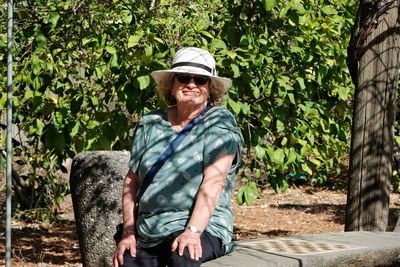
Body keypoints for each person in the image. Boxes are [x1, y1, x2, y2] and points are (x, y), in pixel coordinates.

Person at [113, 47, 242, 267]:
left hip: (202, 226)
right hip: (150, 229)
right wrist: (128, 231)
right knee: (127, 261)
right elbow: (132, 181)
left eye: (201, 80)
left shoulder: (219, 123)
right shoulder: (151, 123)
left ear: (210, 89)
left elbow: (215, 181)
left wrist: (192, 231)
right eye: (183, 78)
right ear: (171, 86)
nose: (191, 84)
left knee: (184, 258)